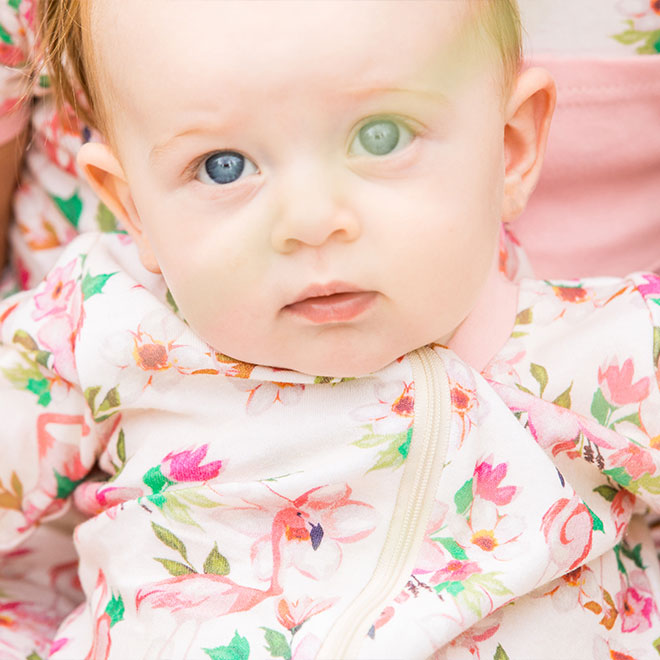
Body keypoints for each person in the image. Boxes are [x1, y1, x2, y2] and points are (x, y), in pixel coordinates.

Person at [1, 2, 660, 659]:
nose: (311, 220)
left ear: (510, 148)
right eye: (222, 166)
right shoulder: (99, 322)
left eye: (381, 136)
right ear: (134, 209)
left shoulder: (607, 351)